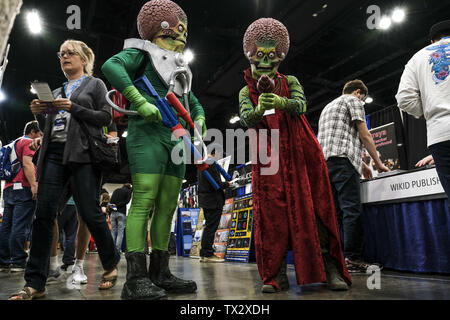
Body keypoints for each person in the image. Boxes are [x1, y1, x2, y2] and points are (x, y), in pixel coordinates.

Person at [102, 0, 204, 300]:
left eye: (184, 30)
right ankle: (135, 278)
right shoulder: (142, 52)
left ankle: (160, 271)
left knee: (168, 204)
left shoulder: (180, 65)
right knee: (144, 197)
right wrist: (138, 99)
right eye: (175, 30)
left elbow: (191, 100)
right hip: (146, 133)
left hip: (176, 138)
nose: (181, 35)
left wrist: (198, 118)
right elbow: (112, 65)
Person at [239, 18, 351, 293]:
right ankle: (275, 274)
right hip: (267, 154)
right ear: (251, 57)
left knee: (315, 210)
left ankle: (330, 269)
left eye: (271, 57)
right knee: (272, 215)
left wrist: (279, 102)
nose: (265, 64)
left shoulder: (290, 81)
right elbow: (245, 119)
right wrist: (258, 109)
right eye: (259, 58)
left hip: (301, 152)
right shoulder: (245, 90)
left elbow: (301, 105)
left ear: (280, 57)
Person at [9, 39, 120, 300]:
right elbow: (53, 125)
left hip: (82, 155)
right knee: (43, 216)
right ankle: (35, 282)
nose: (65, 57)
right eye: (62, 54)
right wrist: (40, 113)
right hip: (53, 155)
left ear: (84, 59)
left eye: (71, 53)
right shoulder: (57, 90)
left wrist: (75, 107)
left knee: (91, 213)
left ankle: (111, 262)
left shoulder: (95, 84)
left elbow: (105, 117)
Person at [318, 79, 390, 272]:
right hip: (343, 162)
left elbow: (341, 139)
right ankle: (353, 258)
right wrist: (378, 162)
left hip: (325, 164)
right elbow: (364, 133)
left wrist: (362, 165)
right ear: (358, 92)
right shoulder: (353, 101)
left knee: (336, 214)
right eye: (363, 99)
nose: (363, 102)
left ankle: (336, 258)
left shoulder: (327, 107)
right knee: (352, 211)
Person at [396, 20, 450, 203]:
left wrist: (428, 111)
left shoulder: (418, 58)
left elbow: (403, 98)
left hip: (440, 134)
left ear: (432, 41)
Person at [0, 121, 42, 272]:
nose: (40, 138)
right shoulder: (29, 142)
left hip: (9, 187)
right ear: (33, 132)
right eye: (40, 134)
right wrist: (34, 185)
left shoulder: (14, 142)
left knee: (6, 226)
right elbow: (27, 163)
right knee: (20, 225)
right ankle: (18, 260)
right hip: (23, 187)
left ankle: (3, 260)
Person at [197, 149, 230, 263]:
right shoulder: (211, 164)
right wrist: (228, 184)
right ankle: (207, 254)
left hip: (206, 201)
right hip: (213, 201)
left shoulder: (204, 163)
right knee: (211, 228)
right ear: (216, 152)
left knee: (208, 228)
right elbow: (216, 184)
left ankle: (204, 253)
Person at [109, 183, 132, 253]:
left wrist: (114, 208)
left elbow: (110, 203)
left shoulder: (116, 190)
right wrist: (118, 206)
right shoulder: (128, 192)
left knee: (113, 231)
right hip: (121, 213)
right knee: (120, 233)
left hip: (113, 213)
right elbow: (127, 202)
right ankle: (117, 250)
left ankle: (111, 250)